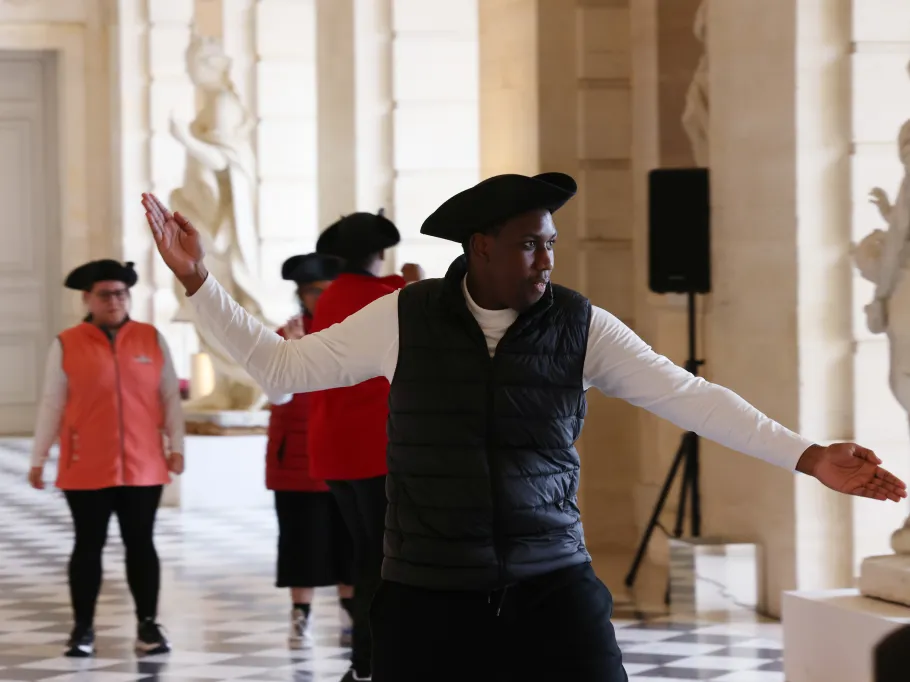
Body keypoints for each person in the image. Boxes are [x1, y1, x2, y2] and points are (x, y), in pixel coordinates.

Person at [142, 175, 907, 682]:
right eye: (528, 242)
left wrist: (808, 455)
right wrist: (199, 283)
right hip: (428, 590)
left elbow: (688, 396)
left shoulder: (581, 326)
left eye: (550, 242)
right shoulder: (404, 317)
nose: (545, 257)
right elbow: (281, 369)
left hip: (550, 582)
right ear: (479, 248)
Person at [29, 259, 184, 658]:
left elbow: (169, 397)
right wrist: (38, 457)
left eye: (121, 293)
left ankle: (149, 626)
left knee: (141, 545)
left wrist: (177, 446)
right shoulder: (67, 342)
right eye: (105, 295)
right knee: (88, 546)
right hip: (85, 465)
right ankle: (82, 629)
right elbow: (51, 403)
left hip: (143, 465)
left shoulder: (152, 339)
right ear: (88, 299)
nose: (114, 301)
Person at [306, 211, 422, 681]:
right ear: (380, 252)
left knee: (365, 555)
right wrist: (415, 281)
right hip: (375, 447)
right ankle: (369, 662)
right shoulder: (389, 297)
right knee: (383, 560)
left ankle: (367, 660)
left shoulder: (331, 295)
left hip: (334, 449)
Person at [267, 252, 354, 649]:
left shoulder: (353, 333)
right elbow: (274, 393)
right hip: (296, 458)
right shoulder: (285, 335)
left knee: (349, 539)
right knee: (299, 540)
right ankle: (300, 615)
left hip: (343, 453)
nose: (315, 298)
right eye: (308, 291)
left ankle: (350, 612)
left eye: (322, 290)